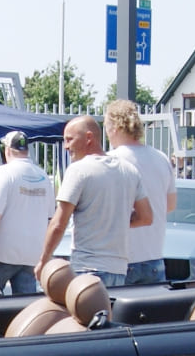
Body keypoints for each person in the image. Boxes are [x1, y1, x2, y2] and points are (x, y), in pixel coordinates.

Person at [34, 115, 153, 288]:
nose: (66, 146)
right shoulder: (129, 170)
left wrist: (43, 261)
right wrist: (112, 220)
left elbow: (59, 224)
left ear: (89, 137)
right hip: (119, 270)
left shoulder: (79, 170)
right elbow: (146, 217)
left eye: (69, 140)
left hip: (87, 269)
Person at [106, 99, 177, 285]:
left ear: (114, 127)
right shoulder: (161, 158)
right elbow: (170, 205)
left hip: (120, 258)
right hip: (154, 255)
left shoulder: (110, 160)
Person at [0, 130, 55, 294]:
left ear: (7, 149)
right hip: (33, 252)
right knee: (24, 303)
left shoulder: (4, 172)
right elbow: (50, 216)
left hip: (2, 251)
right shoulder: (42, 176)